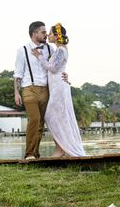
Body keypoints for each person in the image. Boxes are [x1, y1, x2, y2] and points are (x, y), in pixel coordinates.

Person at [32, 23, 86, 157]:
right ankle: (61, 148)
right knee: (55, 117)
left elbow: (53, 68)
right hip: (56, 87)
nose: (48, 36)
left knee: (52, 116)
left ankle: (61, 149)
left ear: (56, 36)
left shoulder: (61, 50)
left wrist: (39, 56)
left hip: (59, 89)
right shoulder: (59, 50)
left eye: (50, 33)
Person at [14, 21, 52, 160]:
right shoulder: (22, 50)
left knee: (41, 123)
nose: (46, 34)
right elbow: (18, 73)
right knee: (34, 119)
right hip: (29, 89)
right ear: (34, 33)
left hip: (45, 90)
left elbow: (54, 67)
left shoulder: (50, 49)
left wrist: (64, 75)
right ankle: (29, 153)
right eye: (43, 32)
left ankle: (36, 153)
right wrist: (17, 93)